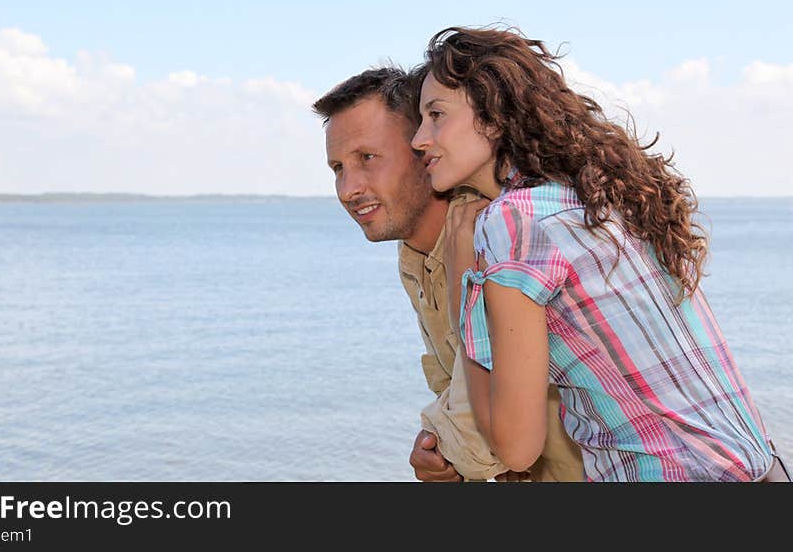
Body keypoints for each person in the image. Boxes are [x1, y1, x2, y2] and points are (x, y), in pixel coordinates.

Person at [410, 25, 790, 481]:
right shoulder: (602, 197)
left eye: (436, 115)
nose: (419, 139)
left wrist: (461, 276)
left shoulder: (513, 221)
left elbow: (516, 447)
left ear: (493, 115)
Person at [313, 67, 584, 481]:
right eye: (338, 168)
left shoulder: (488, 236)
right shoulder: (414, 255)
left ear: (425, 149)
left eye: (368, 158)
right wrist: (441, 448)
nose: (349, 188)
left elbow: (479, 441)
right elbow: (449, 385)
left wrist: (441, 448)